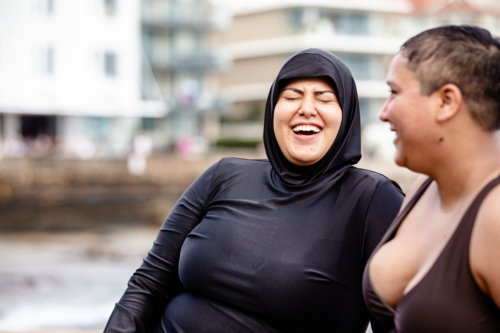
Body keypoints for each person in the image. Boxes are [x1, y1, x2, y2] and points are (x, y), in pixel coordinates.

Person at [104, 48, 404, 333]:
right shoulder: (224, 175)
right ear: (273, 108)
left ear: (347, 114)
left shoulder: (373, 199)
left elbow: (397, 322)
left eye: (325, 99)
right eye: (292, 96)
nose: (307, 109)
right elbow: (148, 285)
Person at [363, 25, 500, 332]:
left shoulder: (495, 214)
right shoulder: (422, 189)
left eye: (394, 92)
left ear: (446, 101)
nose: (384, 113)